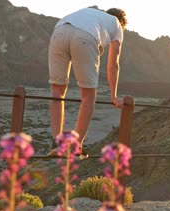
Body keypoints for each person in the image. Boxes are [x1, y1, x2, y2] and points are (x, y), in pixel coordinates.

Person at [47, 7, 127, 159]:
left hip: (59, 31)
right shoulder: (117, 24)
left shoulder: (92, 13)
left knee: (57, 91)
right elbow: (113, 64)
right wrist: (114, 96)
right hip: (85, 37)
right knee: (88, 96)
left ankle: (57, 142)